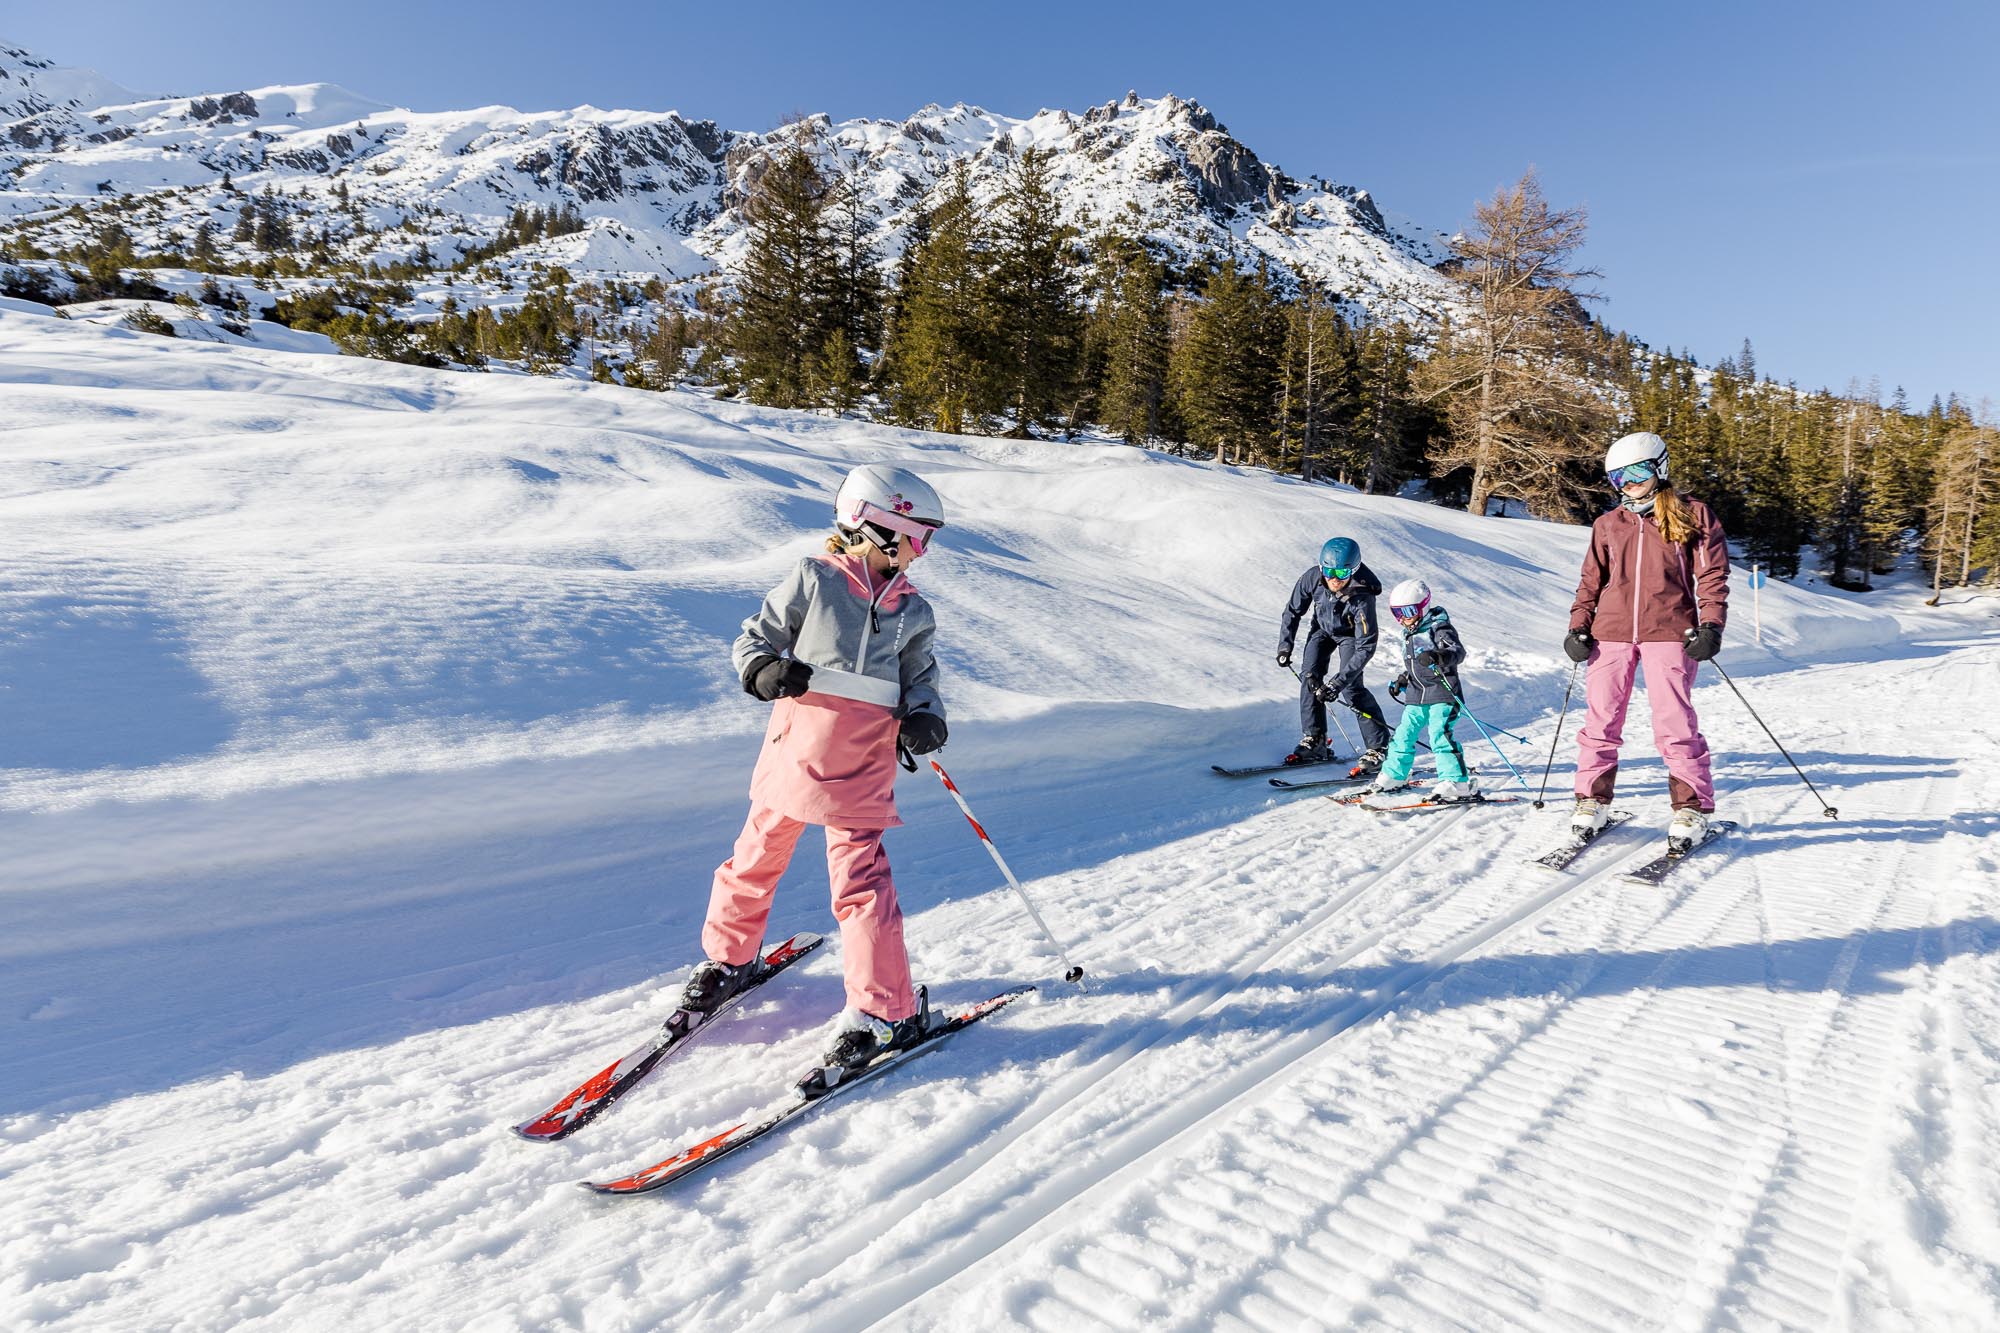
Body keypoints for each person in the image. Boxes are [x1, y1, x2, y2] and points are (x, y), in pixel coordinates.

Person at [678, 462, 950, 1079]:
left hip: (860, 763)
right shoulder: (815, 581)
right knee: (754, 857)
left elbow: (921, 677)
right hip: (795, 751)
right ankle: (727, 960)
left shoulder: (914, 611)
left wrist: (925, 716)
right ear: (876, 526)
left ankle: (884, 1011)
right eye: (918, 536)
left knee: (859, 884)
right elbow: (754, 639)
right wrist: (764, 672)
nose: (922, 552)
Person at [1564, 431, 1730, 851]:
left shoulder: (1693, 514)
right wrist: (1578, 626)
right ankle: (1591, 800)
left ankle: (1690, 807)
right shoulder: (1608, 524)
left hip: (1671, 632)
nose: (1629, 483)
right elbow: (1590, 581)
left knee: (1674, 722)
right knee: (1600, 721)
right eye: (1618, 477)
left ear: (1660, 468)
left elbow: (1711, 576)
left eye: (1637, 472)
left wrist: (1711, 626)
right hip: (1611, 633)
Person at [1275, 537, 1391, 771]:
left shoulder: (1362, 596)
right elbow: (1292, 611)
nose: (1334, 578)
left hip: (1351, 637)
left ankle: (1378, 748)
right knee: (1309, 678)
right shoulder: (1312, 577)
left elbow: (1366, 645)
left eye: (1341, 571)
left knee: (1351, 688)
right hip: (1322, 630)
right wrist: (1285, 646)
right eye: (1328, 570)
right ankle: (1315, 739)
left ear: (1354, 569)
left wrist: (1337, 683)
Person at [1367, 578, 1478, 802]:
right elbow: (1417, 664)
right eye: (1397, 613)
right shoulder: (1408, 632)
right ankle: (1394, 775)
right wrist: (1404, 679)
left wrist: (1439, 655)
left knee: (1439, 735)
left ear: (1423, 606)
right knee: (1403, 735)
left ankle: (1456, 782)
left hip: (1443, 693)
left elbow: (1457, 652)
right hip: (1417, 693)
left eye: (1408, 611)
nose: (1403, 618)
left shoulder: (1439, 627)